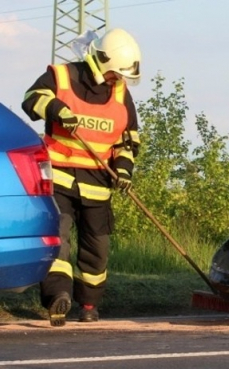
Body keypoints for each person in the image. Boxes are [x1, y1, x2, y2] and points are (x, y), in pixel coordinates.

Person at [21, 28, 142, 327]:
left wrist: (124, 170)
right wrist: (56, 109)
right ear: (103, 62)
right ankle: (58, 297)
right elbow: (31, 99)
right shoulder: (62, 77)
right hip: (58, 181)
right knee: (58, 241)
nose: (119, 79)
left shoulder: (121, 93)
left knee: (96, 251)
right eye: (115, 73)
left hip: (98, 187)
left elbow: (127, 140)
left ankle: (88, 305)